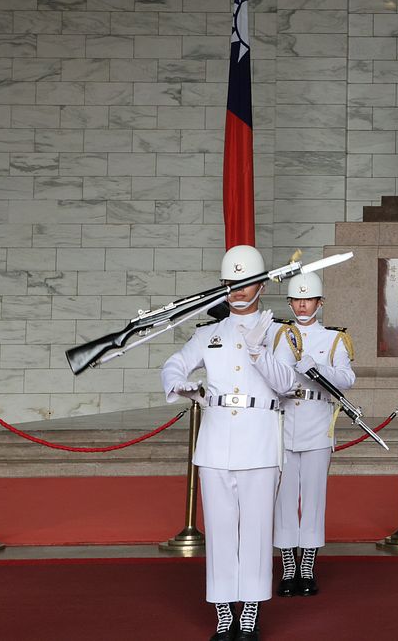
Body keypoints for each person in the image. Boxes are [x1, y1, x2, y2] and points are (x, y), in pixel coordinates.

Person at [161, 245, 297, 641]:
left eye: (245, 283)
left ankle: (250, 611)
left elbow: (287, 383)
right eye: (231, 284)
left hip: (259, 438)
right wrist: (178, 384)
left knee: (255, 529)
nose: (238, 291)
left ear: (260, 285)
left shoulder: (277, 332)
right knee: (220, 530)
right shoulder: (208, 334)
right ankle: (224, 611)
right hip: (216, 439)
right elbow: (174, 363)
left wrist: (258, 350)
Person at [270, 272, 356, 597]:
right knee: (285, 497)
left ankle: (307, 565)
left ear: (320, 303)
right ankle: (288, 566)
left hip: (319, 421)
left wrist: (317, 370)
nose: (303, 305)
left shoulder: (334, 339)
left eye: (309, 299)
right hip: (283, 419)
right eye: (297, 299)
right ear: (290, 303)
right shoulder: (277, 336)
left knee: (314, 496)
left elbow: (348, 378)